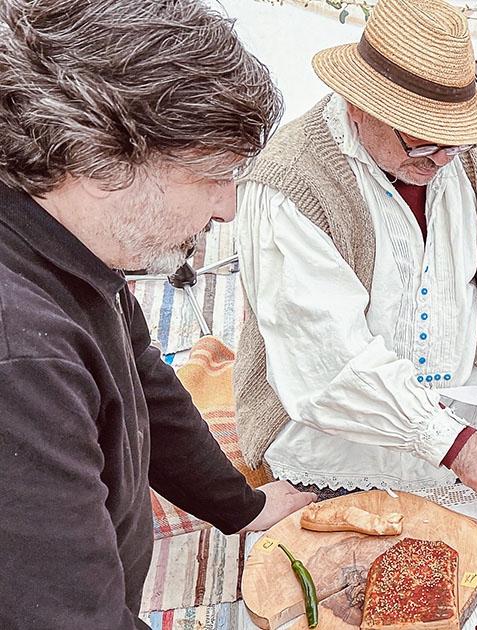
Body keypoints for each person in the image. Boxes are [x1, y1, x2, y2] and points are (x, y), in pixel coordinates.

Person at [0, 1, 315, 627]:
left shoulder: (71, 242)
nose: (227, 209)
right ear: (104, 162)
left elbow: (145, 382)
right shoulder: (22, 357)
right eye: (217, 175)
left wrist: (240, 507)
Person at [234, 0, 477, 503]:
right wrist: (453, 445)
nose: (443, 160)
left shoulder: (474, 157)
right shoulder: (290, 184)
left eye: (456, 142)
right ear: (360, 103)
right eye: (423, 143)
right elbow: (327, 364)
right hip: (332, 435)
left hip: (460, 406)